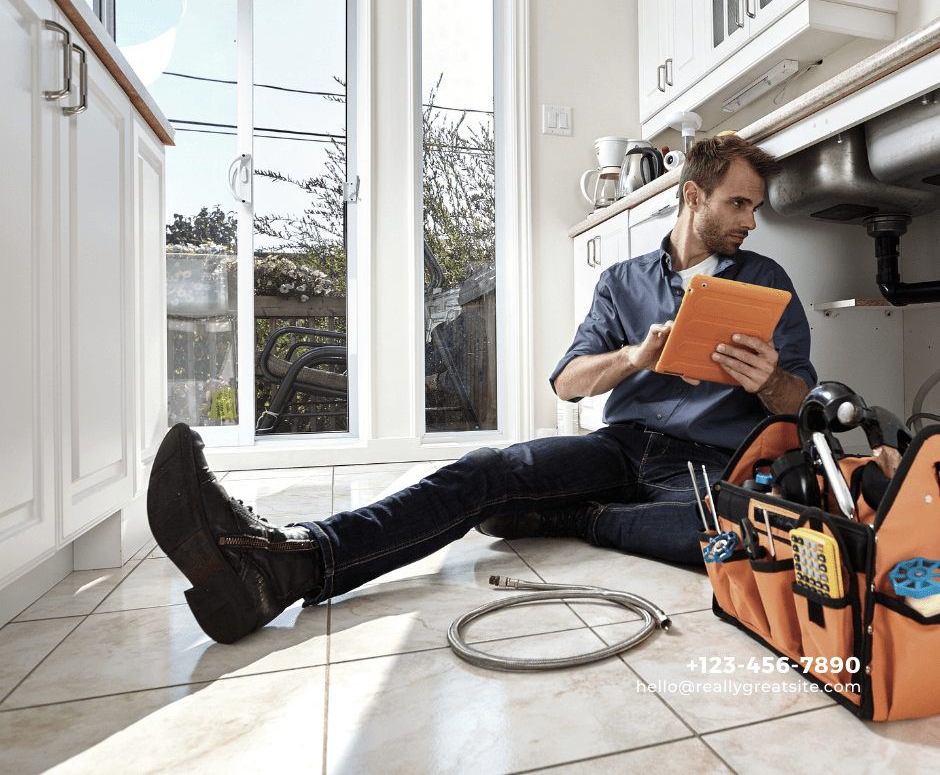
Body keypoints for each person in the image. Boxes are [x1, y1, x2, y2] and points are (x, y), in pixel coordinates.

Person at [147, 134, 817, 645]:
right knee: (483, 471)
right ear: (694, 197)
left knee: (732, 527)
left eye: (755, 208)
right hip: (619, 447)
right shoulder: (621, 282)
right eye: (739, 203)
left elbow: (800, 403)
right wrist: (634, 357)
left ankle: (568, 517)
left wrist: (774, 382)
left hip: (707, 462)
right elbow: (567, 382)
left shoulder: (766, 280)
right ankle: (287, 564)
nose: (750, 221)